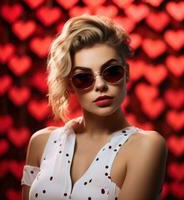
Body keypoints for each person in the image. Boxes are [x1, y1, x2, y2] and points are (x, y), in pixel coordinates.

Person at [21, 14, 168, 200]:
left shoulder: (147, 146)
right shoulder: (41, 143)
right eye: (83, 78)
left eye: (112, 72)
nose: (100, 86)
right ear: (70, 84)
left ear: (127, 73)